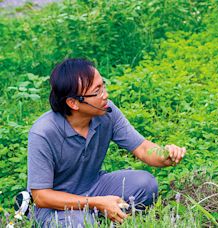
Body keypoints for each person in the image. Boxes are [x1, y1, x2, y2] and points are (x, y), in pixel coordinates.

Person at [26, 58, 186, 227]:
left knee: (145, 184)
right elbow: (41, 196)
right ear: (73, 103)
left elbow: (142, 147)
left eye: (103, 86)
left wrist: (165, 154)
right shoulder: (43, 132)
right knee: (81, 223)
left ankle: (103, 214)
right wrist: (97, 203)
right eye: (97, 91)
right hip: (54, 205)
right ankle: (92, 215)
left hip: (94, 186)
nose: (105, 95)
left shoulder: (106, 112)